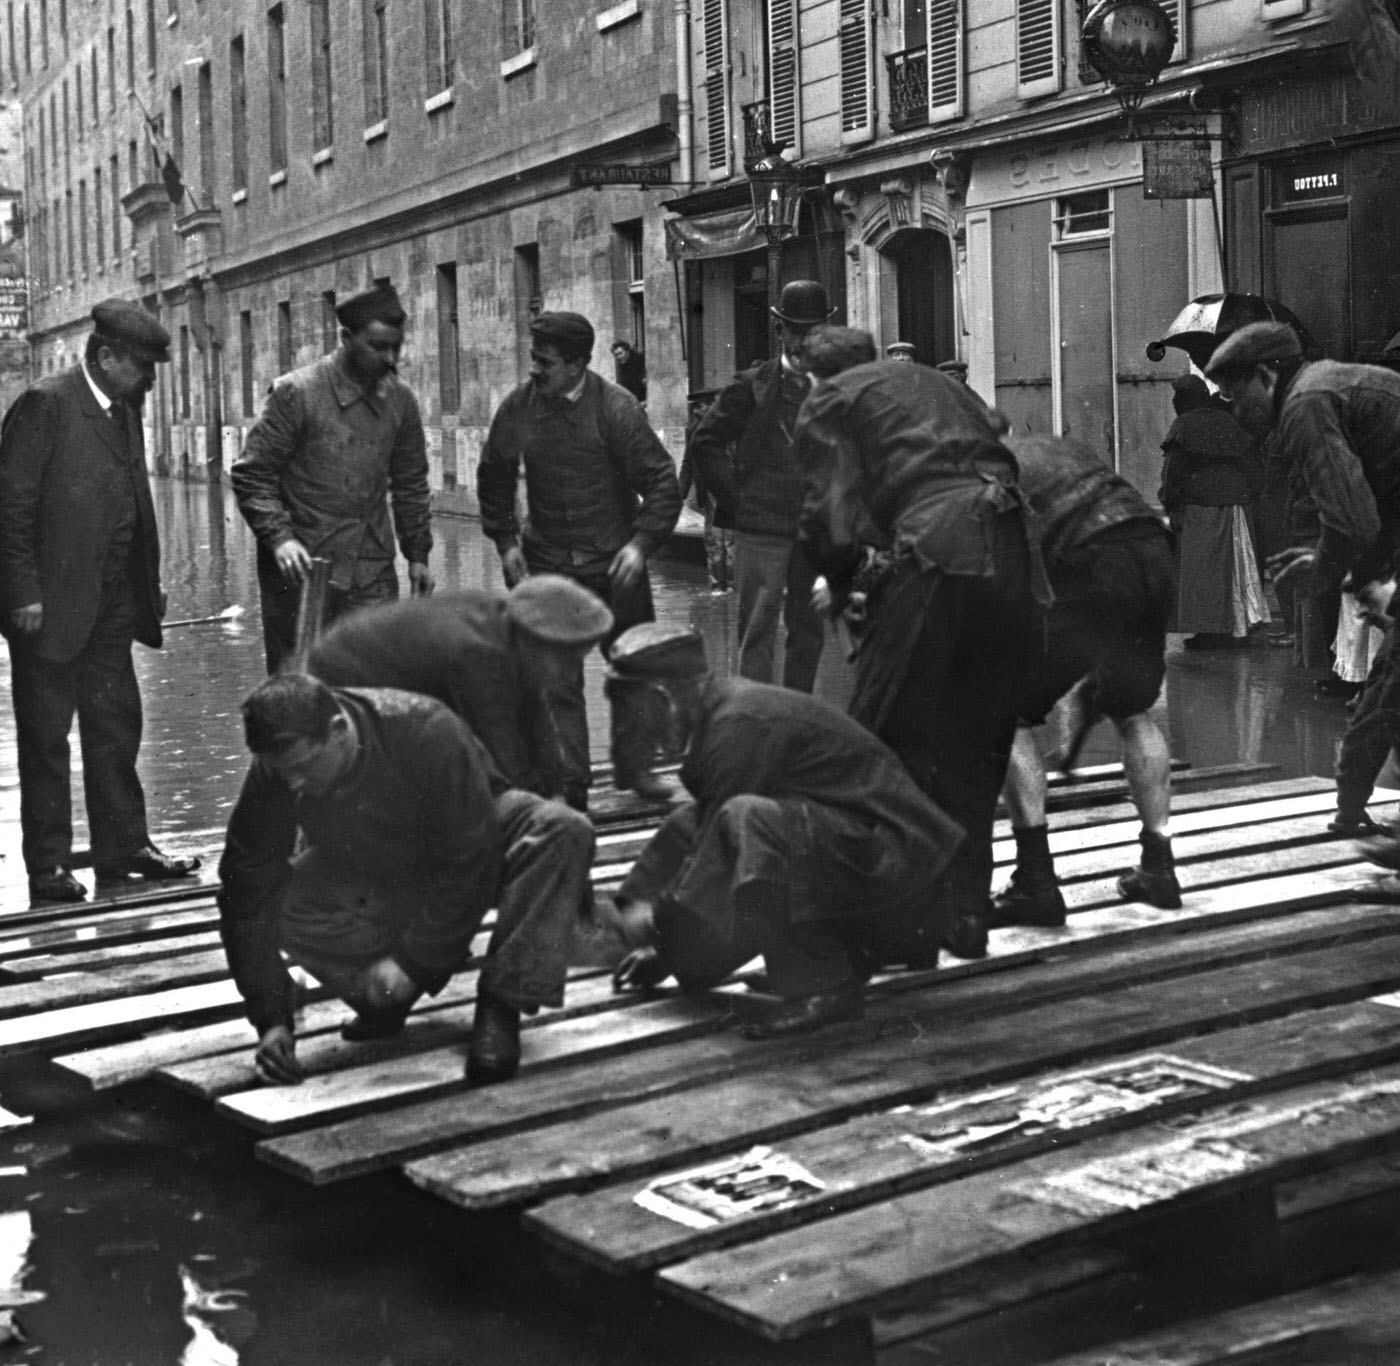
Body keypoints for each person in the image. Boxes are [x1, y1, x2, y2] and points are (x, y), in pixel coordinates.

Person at [795, 325, 1050, 961]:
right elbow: (1002, 448)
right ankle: (964, 916)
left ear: (809, 374)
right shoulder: (941, 385)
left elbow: (826, 514)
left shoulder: (828, 401)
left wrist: (846, 577)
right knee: (977, 743)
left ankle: (881, 927)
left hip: (937, 554)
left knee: (877, 742)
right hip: (1014, 551)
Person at [218, 673, 593, 1086]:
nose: (293, 783)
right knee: (276, 899)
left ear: (339, 730)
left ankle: (502, 1003)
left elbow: (469, 859)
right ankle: (380, 999)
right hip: (376, 868)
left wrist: (416, 962)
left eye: (304, 767)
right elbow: (245, 889)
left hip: (470, 846)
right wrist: (271, 1020)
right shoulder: (278, 770)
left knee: (562, 829)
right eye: (282, 771)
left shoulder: (424, 728)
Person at [604, 624, 963, 1036]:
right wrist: (669, 950)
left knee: (748, 821)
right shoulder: (723, 713)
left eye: (635, 711)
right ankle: (821, 964)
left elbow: (720, 859)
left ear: (661, 699)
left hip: (905, 883)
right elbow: (704, 844)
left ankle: (824, 986)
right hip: (874, 869)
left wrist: (661, 928)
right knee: (699, 821)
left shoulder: (737, 725)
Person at [0, 299, 202, 903]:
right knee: (46, 738)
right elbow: (9, 511)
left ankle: (124, 849)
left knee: (116, 727)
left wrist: (150, 584)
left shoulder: (123, 409)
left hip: (113, 605)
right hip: (50, 608)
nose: (151, 378)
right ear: (106, 356)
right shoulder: (47, 405)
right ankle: (49, 866)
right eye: (143, 365)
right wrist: (21, 593)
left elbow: (134, 505)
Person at [1205, 321, 1400, 850]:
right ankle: (1350, 812)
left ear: (1267, 376)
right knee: (1388, 684)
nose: (1234, 410)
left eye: (1234, 394)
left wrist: (1326, 573)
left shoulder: (1306, 405)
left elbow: (1354, 520)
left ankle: (1351, 810)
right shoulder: (1321, 388)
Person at [477, 310, 681, 812]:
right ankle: (571, 787)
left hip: (615, 563)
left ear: (576, 364)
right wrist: (505, 543)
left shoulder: (616, 410)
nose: (535, 371)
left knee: (635, 669)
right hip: (547, 564)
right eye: (533, 360)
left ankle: (637, 771)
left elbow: (661, 484)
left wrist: (640, 546)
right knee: (552, 681)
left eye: (545, 362)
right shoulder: (518, 409)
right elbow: (494, 477)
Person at [994, 433, 1181, 928]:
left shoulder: (990, 471)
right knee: (1132, 708)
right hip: (1152, 546)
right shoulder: (1056, 448)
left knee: (1004, 711)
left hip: (1090, 555)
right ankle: (1159, 868)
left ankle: (1035, 881)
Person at [232, 282, 434, 673]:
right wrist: (280, 538)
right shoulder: (297, 394)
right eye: (378, 347)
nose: (390, 358)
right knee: (302, 692)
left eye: (397, 346)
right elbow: (252, 474)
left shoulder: (401, 402)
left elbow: (410, 483)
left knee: (376, 686)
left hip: (371, 570)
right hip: (305, 571)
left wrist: (419, 554)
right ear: (346, 338)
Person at [307, 575, 612, 801]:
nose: (568, 670)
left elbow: (536, 715)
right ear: (537, 641)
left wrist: (557, 789)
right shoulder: (479, 654)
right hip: (345, 680)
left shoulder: (511, 630)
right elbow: (500, 748)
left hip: (397, 675)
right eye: (564, 659)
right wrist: (537, 807)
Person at [688, 279, 835, 693]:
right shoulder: (751, 386)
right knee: (758, 629)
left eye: (814, 332)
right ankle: (755, 718)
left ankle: (796, 717)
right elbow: (706, 442)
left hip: (814, 532)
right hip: (761, 528)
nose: (804, 342)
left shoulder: (839, 389)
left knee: (809, 633)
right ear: (779, 331)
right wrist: (738, 502)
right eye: (796, 331)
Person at [1159, 373, 1268, 649]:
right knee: (1233, 569)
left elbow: (1173, 472)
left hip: (1201, 508)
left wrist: (1170, 503)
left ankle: (1210, 631)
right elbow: (1250, 465)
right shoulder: (1227, 421)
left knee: (1204, 572)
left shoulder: (1183, 425)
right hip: (1237, 505)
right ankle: (1236, 626)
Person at [679, 389, 733, 594]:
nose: (698, 411)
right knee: (713, 538)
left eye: (701, 406)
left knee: (729, 537)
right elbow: (687, 463)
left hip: (726, 488)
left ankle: (731, 582)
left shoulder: (727, 426)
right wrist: (679, 494)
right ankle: (718, 583)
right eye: (696, 407)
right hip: (708, 490)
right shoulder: (693, 430)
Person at [610, 339, 648, 404]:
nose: (618, 357)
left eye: (620, 353)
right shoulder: (622, 365)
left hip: (642, 400)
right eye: (616, 355)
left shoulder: (639, 360)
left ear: (627, 351)